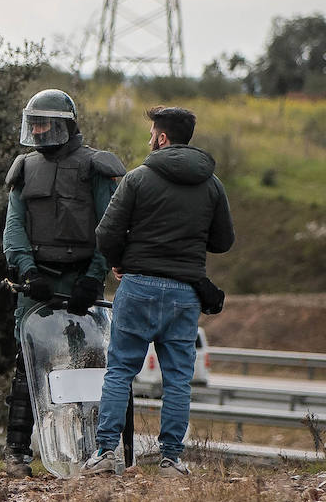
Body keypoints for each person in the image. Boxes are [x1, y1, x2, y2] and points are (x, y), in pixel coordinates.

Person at [81, 106, 234, 477]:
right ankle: (170, 459)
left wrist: (120, 261)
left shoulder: (138, 179)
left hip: (139, 287)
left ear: (162, 138)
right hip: (185, 293)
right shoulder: (212, 184)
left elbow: (105, 234)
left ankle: (105, 454)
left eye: (152, 133)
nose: (150, 139)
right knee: (178, 379)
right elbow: (223, 240)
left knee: (119, 371)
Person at [1, 89, 126, 477]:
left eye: (45, 123)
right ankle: (17, 453)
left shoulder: (95, 167)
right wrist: (27, 270)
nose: (37, 130)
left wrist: (94, 278)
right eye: (33, 122)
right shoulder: (24, 168)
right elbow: (13, 228)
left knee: (87, 364)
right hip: (37, 280)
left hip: (81, 279)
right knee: (25, 366)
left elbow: (110, 228)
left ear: (65, 125)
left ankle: (91, 450)